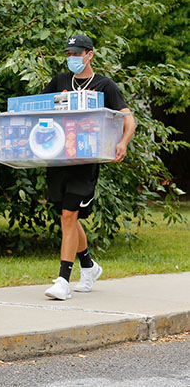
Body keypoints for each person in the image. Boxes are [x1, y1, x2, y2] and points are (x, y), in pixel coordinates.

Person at [42, 34, 136, 300]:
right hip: (58, 159)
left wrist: (123, 143)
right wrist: (54, 101)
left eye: (76, 54)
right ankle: (89, 266)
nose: (72, 59)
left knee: (69, 216)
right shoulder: (60, 81)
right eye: (69, 54)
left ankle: (63, 280)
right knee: (66, 216)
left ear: (89, 55)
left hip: (85, 162)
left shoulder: (105, 86)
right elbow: (38, 112)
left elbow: (129, 120)